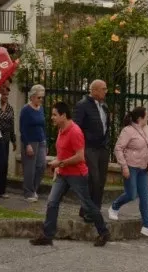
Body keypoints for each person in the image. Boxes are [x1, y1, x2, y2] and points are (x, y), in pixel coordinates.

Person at [29, 101, 110, 247]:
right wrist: (58, 164)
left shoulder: (75, 131)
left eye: (54, 115)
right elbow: (63, 153)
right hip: (63, 174)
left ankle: (103, 232)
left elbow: (80, 157)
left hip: (77, 175)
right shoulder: (61, 129)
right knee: (52, 202)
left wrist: (59, 164)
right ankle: (47, 236)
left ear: (63, 115)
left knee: (87, 205)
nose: (52, 118)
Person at [108, 106, 148, 240]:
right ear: (140, 118)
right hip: (130, 166)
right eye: (146, 115)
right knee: (131, 194)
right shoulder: (128, 131)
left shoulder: (146, 129)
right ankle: (114, 207)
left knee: (145, 197)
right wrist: (124, 166)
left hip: (143, 168)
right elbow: (118, 148)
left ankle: (147, 226)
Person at [74, 79, 111, 221]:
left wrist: (107, 142)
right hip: (89, 148)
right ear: (94, 90)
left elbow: (107, 126)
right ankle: (89, 210)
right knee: (93, 180)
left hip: (102, 148)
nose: (105, 91)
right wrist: (80, 147)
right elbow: (77, 128)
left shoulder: (104, 107)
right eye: (103, 88)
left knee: (101, 180)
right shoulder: (83, 105)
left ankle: (94, 210)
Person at [20, 84, 47, 202]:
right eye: (38, 97)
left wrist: (45, 141)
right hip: (30, 141)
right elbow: (22, 128)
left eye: (42, 98)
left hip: (41, 140)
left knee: (41, 166)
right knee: (29, 168)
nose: (40, 100)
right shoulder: (26, 109)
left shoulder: (41, 108)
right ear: (32, 97)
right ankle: (28, 192)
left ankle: (34, 189)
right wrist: (27, 144)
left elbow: (43, 126)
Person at [0, 81, 17, 199]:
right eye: (3, 95)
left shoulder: (10, 108)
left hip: (6, 139)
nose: (5, 97)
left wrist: (14, 140)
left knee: (4, 165)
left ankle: (1, 190)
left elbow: (12, 124)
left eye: (7, 95)